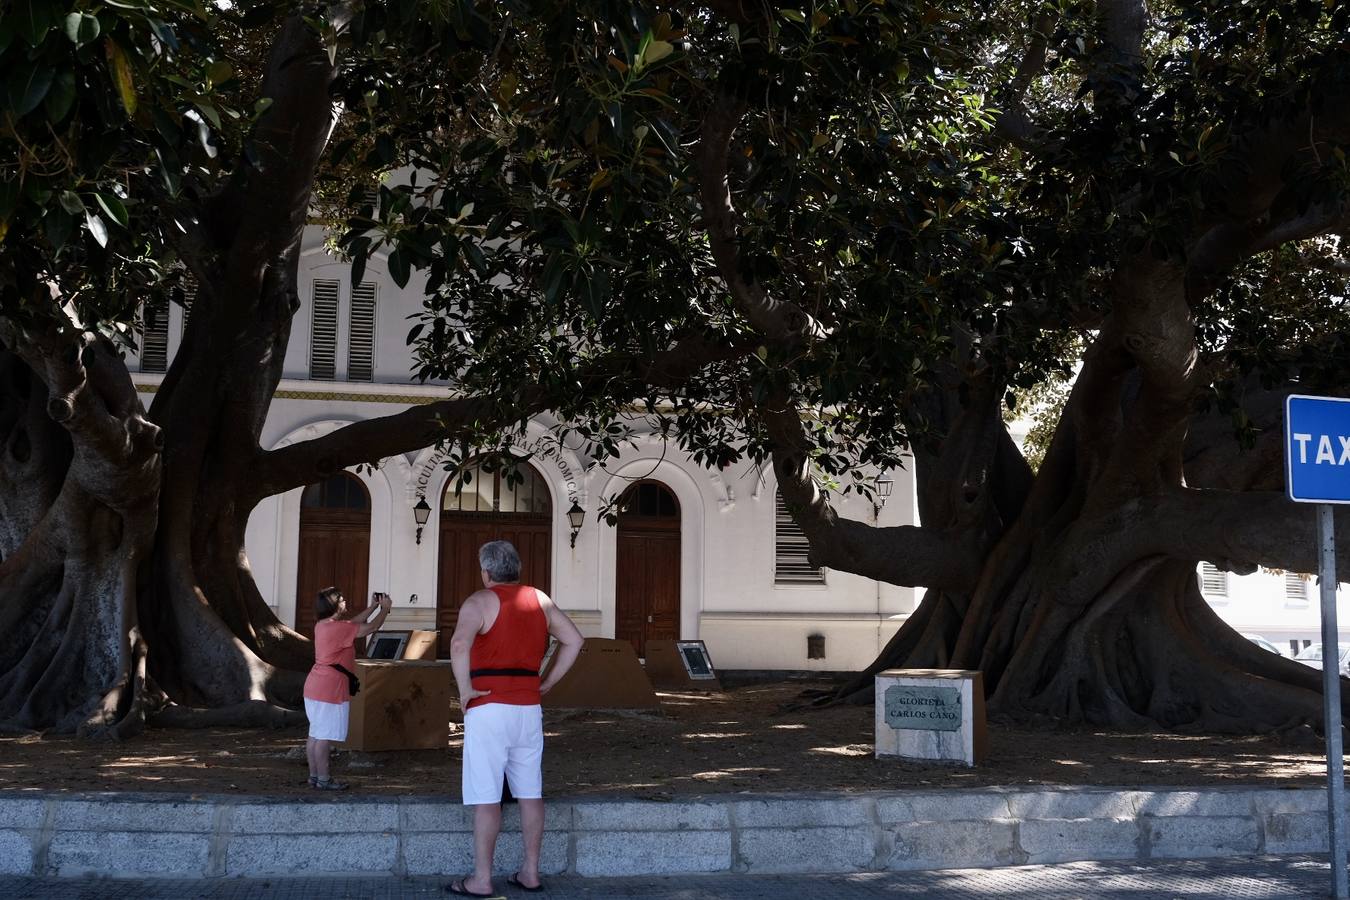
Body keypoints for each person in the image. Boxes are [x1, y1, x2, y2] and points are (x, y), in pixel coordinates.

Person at [446, 540, 584, 898]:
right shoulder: (540, 600)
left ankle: (481, 879)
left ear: (486, 571)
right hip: (527, 707)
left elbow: (459, 645)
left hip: (487, 705)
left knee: (487, 797)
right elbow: (574, 640)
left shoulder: (478, 602)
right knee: (530, 792)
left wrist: (464, 690)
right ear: (517, 569)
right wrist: (549, 681)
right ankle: (531, 872)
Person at [302, 587, 391, 790]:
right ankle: (324, 779)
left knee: (315, 734)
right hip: (329, 689)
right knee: (323, 737)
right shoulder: (336, 628)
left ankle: (314, 777)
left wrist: (373, 607)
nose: (345, 601)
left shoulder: (324, 625)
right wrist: (384, 610)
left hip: (315, 686)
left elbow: (353, 624)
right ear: (335, 605)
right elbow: (369, 629)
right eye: (341, 599)